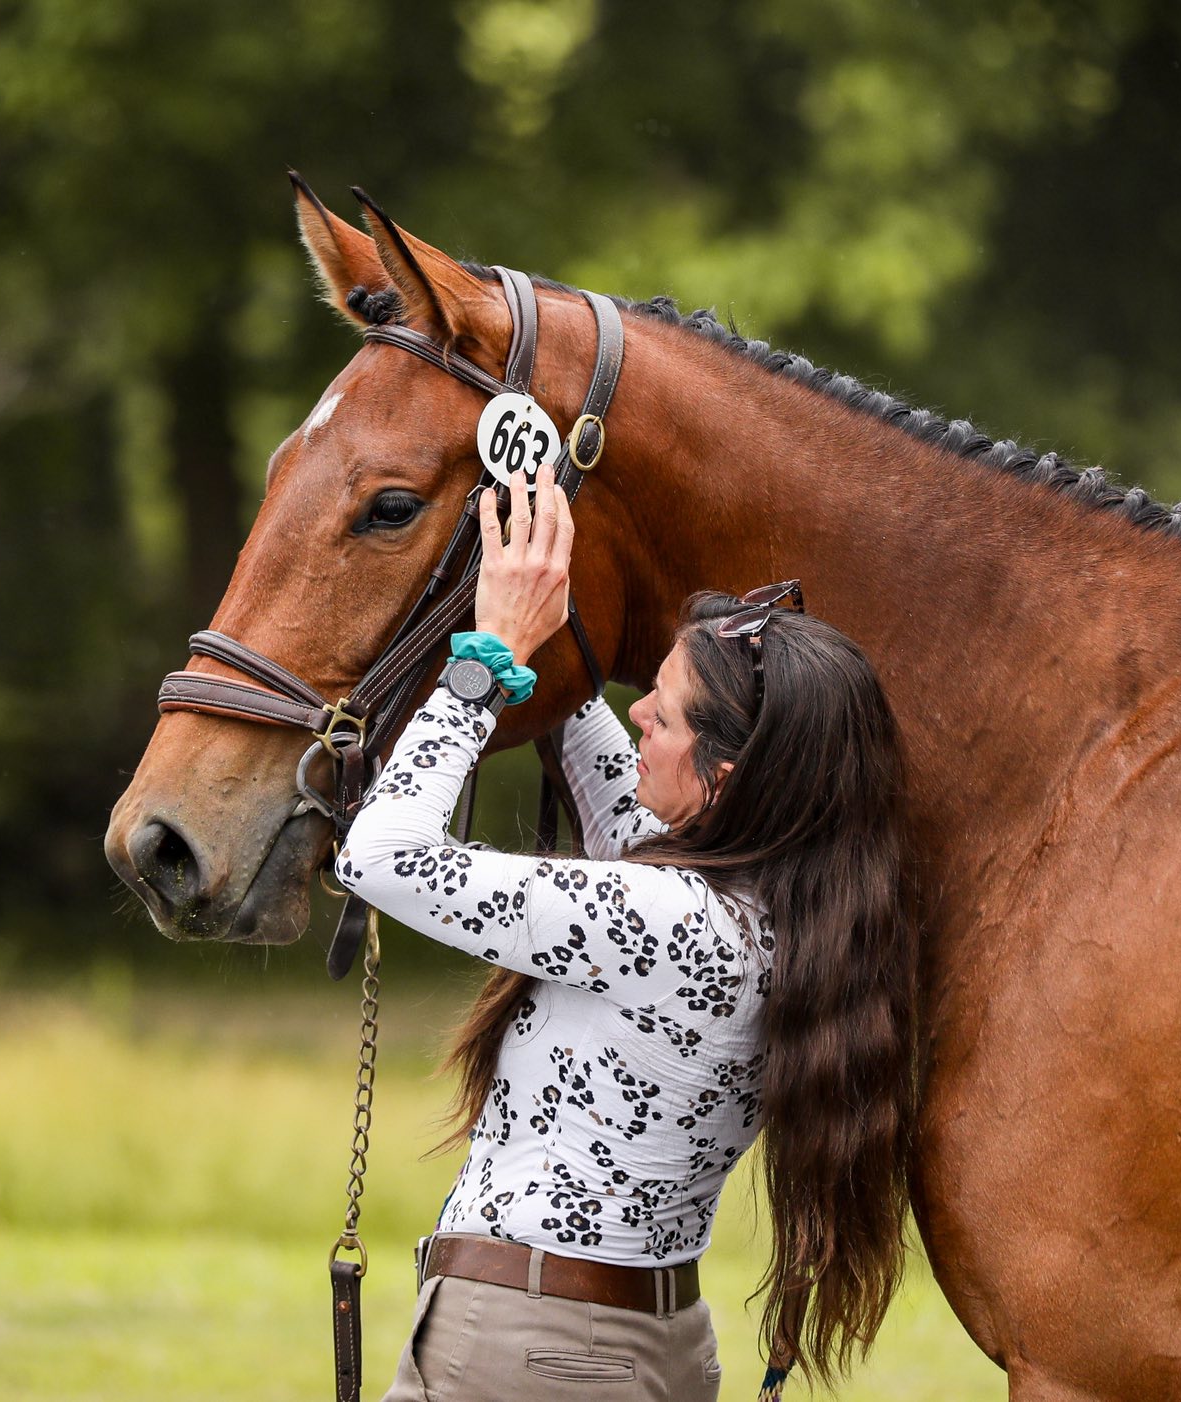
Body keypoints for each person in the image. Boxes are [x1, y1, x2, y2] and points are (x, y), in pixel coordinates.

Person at [335, 468, 921, 1400]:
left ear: (727, 777)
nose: (636, 711)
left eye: (664, 706)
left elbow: (381, 856)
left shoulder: (664, 921)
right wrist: (549, 594)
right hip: (636, 1341)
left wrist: (484, 658)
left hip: (531, 1347)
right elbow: (578, 727)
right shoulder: (776, 914)